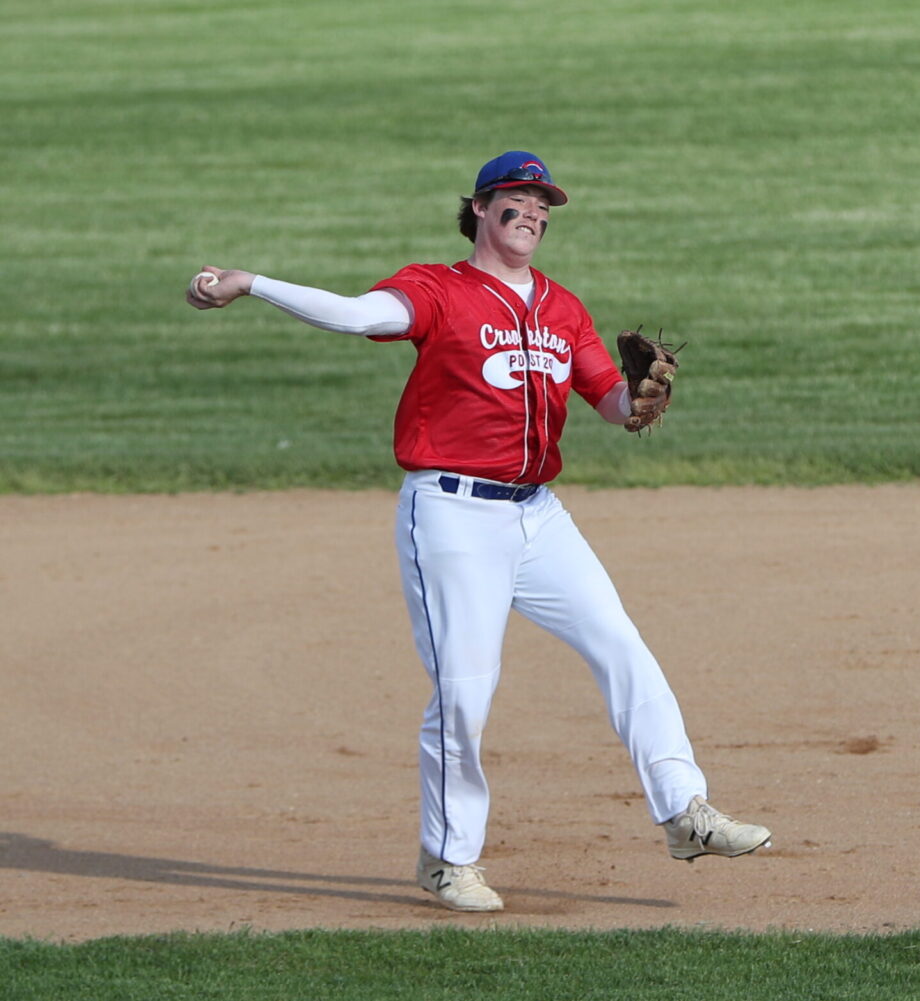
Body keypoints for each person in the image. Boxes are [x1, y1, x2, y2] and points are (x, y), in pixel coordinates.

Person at [186, 150, 771, 913]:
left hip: (539, 517)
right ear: (482, 208)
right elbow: (362, 315)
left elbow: (612, 407)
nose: (534, 212)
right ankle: (447, 859)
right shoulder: (437, 288)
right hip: (452, 516)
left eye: (543, 205)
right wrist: (250, 283)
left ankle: (685, 812)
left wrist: (642, 399)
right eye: (519, 200)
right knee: (464, 693)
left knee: (623, 647)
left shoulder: (562, 308)